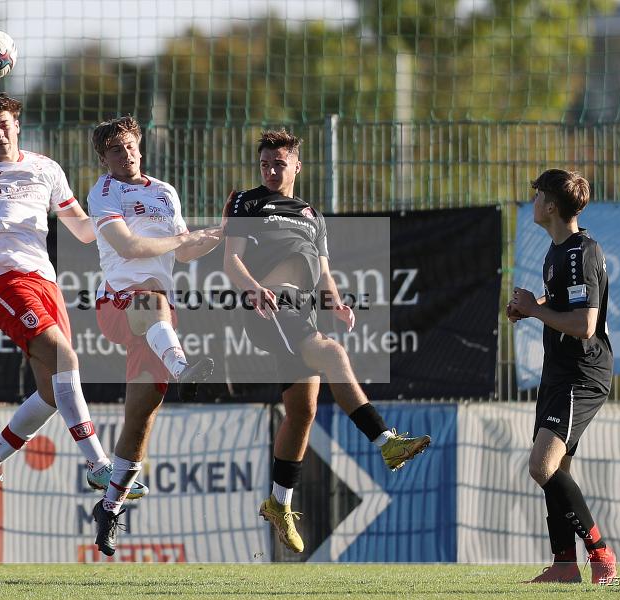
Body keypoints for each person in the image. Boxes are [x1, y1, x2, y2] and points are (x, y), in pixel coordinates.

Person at [0, 93, 145, 516]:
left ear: (17, 124)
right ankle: (99, 465)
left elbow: (83, 230)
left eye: (5, 124)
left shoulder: (46, 168)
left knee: (51, 393)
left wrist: (116, 208)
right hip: (2, 282)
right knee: (67, 356)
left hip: (45, 282)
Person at [222, 129, 431, 554]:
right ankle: (386, 443)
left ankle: (279, 504)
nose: (271, 170)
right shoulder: (249, 201)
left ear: (297, 165)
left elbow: (323, 272)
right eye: (265, 163)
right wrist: (251, 288)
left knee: (302, 412)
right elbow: (231, 259)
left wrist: (336, 303)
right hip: (269, 306)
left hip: (303, 309)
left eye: (279, 163)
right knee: (334, 354)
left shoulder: (312, 215)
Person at [86, 116, 221, 556]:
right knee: (150, 299)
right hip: (120, 305)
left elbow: (183, 250)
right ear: (103, 158)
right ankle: (184, 368)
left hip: (159, 320)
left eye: (129, 145)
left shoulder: (165, 191)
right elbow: (128, 248)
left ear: (139, 146)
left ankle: (110, 508)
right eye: (114, 150)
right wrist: (182, 238)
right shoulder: (104, 192)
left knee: (140, 418)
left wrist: (214, 237)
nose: (124, 154)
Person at [509, 169, 616, 584]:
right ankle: (565, 564)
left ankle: (600, 553)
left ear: (551, 206)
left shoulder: (580, 251)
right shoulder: (558, 250)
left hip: (580, 374)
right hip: (559, 372)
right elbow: (562, 304)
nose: (533, 201)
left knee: (541, 466)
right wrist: (531, 304)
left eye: (538, 196)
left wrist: (535, 311)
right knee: (557, 471)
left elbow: (585, 324)